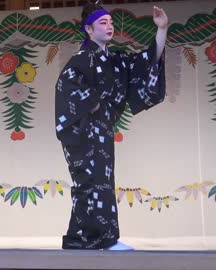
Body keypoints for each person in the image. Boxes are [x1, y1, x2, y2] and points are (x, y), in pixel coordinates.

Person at [54, 1, 167, 250]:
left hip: (102, 130)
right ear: (89, 30)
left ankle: (88, 239)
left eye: (111, 22)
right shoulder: (82, 59)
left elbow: (146, 62)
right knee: (89, 183)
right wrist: (94, 104)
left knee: (101, 182)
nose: (109, 26)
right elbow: (66, 88)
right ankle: (97, 239)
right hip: (83, 130)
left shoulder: (115, 61)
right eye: (103, 23)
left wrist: (161, 30)